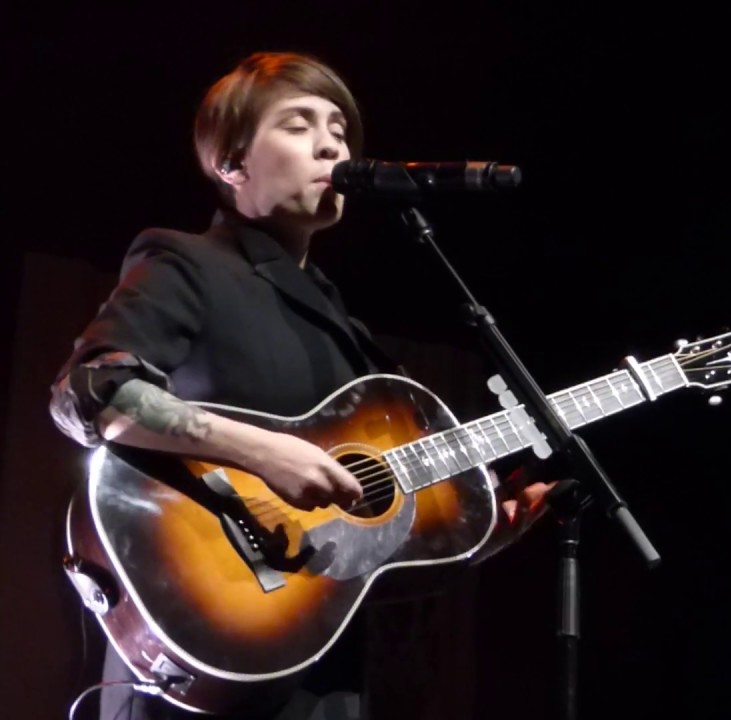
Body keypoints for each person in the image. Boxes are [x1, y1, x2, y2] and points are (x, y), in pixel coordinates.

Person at [49, 51, 550, 719]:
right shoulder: (187, 261)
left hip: (318, 673)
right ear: (232, 163)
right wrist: (263, 452)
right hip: (198, 647)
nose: (330, 144)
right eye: (298, 124)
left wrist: (478, 544)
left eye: (339, 130)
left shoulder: (349, 332)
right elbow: (89, 389)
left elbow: (363, 558)